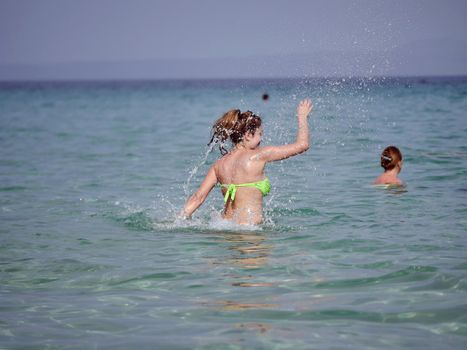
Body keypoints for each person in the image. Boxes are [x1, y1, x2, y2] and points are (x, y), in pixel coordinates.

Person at [181, 99, 313, 225]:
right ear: (248, 135)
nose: (261, 139)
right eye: (260, 134)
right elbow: (303, 145)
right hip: (250, 235)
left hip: (225, 233)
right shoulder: (259, 155)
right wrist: (302, 116)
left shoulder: (219, 164)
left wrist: (179, 220)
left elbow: (198, 198)